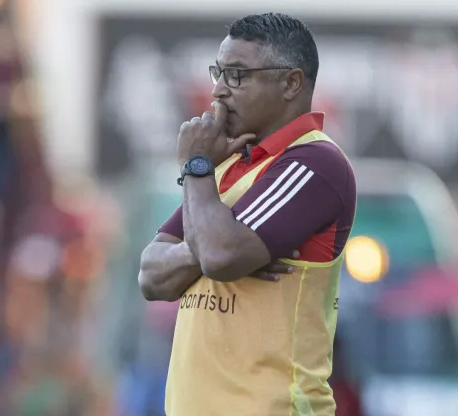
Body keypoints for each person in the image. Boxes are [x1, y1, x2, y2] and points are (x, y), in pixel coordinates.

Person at [137, 13, 357, 416]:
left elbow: (221, 257)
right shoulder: (226, 166)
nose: (219, 91)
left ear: (291, 83)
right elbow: (152, 277)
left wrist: (198, 168)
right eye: (218, 73)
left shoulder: (315, 163)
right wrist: (204, 249)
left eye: (237, 75)